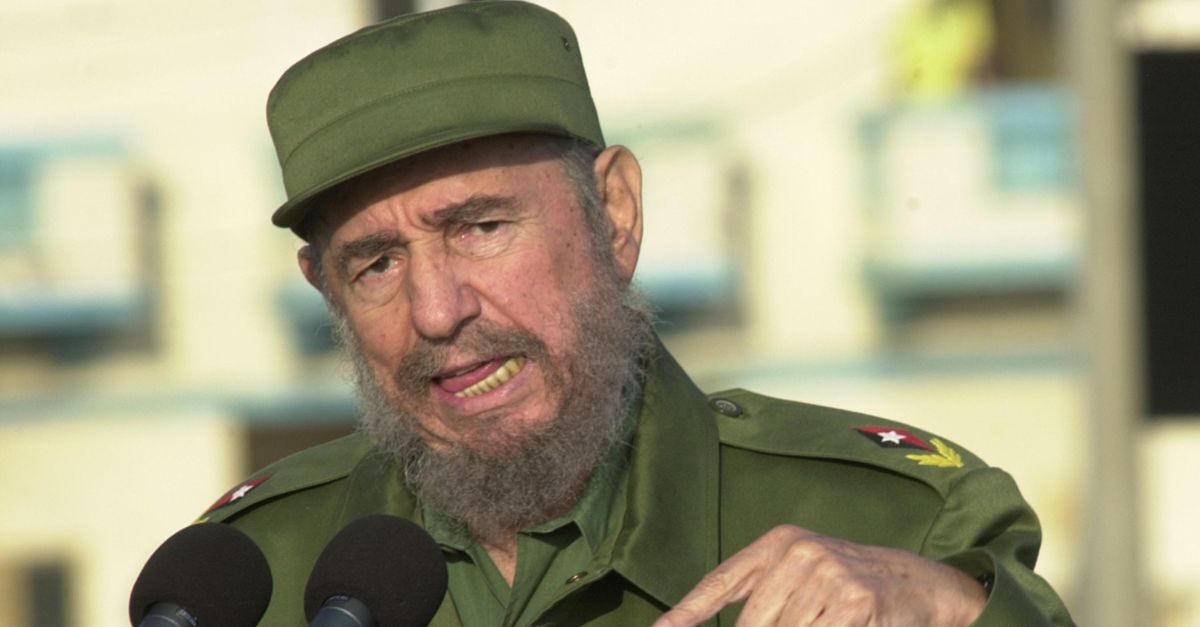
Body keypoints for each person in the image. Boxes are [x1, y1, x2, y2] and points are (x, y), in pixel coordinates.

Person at [198, 2, 1074, 625]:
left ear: (613, 213)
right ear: (325, 289)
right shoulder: (247, 577)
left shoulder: (890, 524)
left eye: (481, 228)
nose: (436, 311)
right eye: (377, 263)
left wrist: (954, 609)